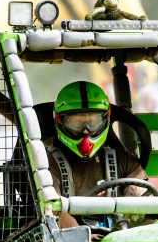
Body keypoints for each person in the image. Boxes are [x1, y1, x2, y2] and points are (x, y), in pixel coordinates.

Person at [47, 81, 146, 229]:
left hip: (119, 237)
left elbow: (144, 204)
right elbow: (54, 211)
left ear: (105, 119)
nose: (85, 131)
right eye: (77, 123)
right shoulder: (46, 163)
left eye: (92, 123)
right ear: (59, 120)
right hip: (70, 240)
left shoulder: (123, 159)